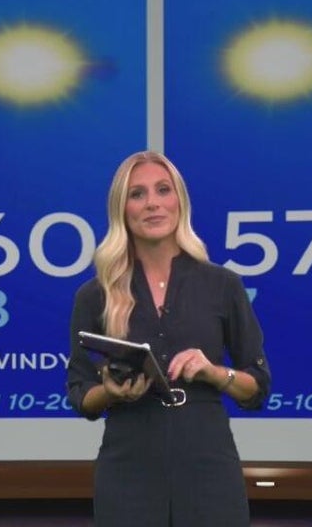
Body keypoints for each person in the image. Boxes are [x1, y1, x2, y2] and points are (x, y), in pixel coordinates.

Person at [66, 150, 271, 527]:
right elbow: (80, 394)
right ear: (122, 209)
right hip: (128, 470)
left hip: (209, 467)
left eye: (163, 190)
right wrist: (110, 392)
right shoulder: (94, 295)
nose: (152, 203)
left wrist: (214, 373)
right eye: (137, 194)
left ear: (180, 201)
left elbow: (257, 388)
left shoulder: (223, 285)